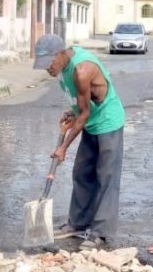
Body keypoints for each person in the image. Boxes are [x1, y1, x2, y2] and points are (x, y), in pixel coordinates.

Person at [33, 34, 125, 249]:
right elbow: (82, 104)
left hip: (108, 123)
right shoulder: (63, 68)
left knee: (106, 177)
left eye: (49, 63)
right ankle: (78, 223)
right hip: (91, 121)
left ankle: (101, 233)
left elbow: (84, 113)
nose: (47, 69)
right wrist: (72, 111)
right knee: (82, 172)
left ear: (60, 54)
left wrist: (63, 148)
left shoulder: (82, 70)